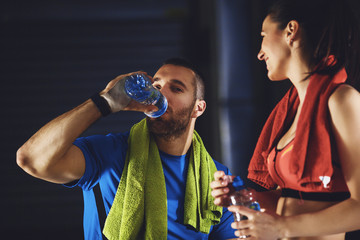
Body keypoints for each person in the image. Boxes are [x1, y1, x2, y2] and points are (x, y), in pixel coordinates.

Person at [16, 58, 237, 240]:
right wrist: (104, 102)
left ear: (198, 108)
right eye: (157, 87)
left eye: (176, 89)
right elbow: (31, 159)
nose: (162, 96)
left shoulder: (216, 177)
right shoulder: (108, 153)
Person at [211, 0, 360, 239]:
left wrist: (281, 228)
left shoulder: (342, 100)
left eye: (263, 35)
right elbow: (300, 198)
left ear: (290, 31)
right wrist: (244, 196)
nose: (260, 54)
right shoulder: (293, 109)